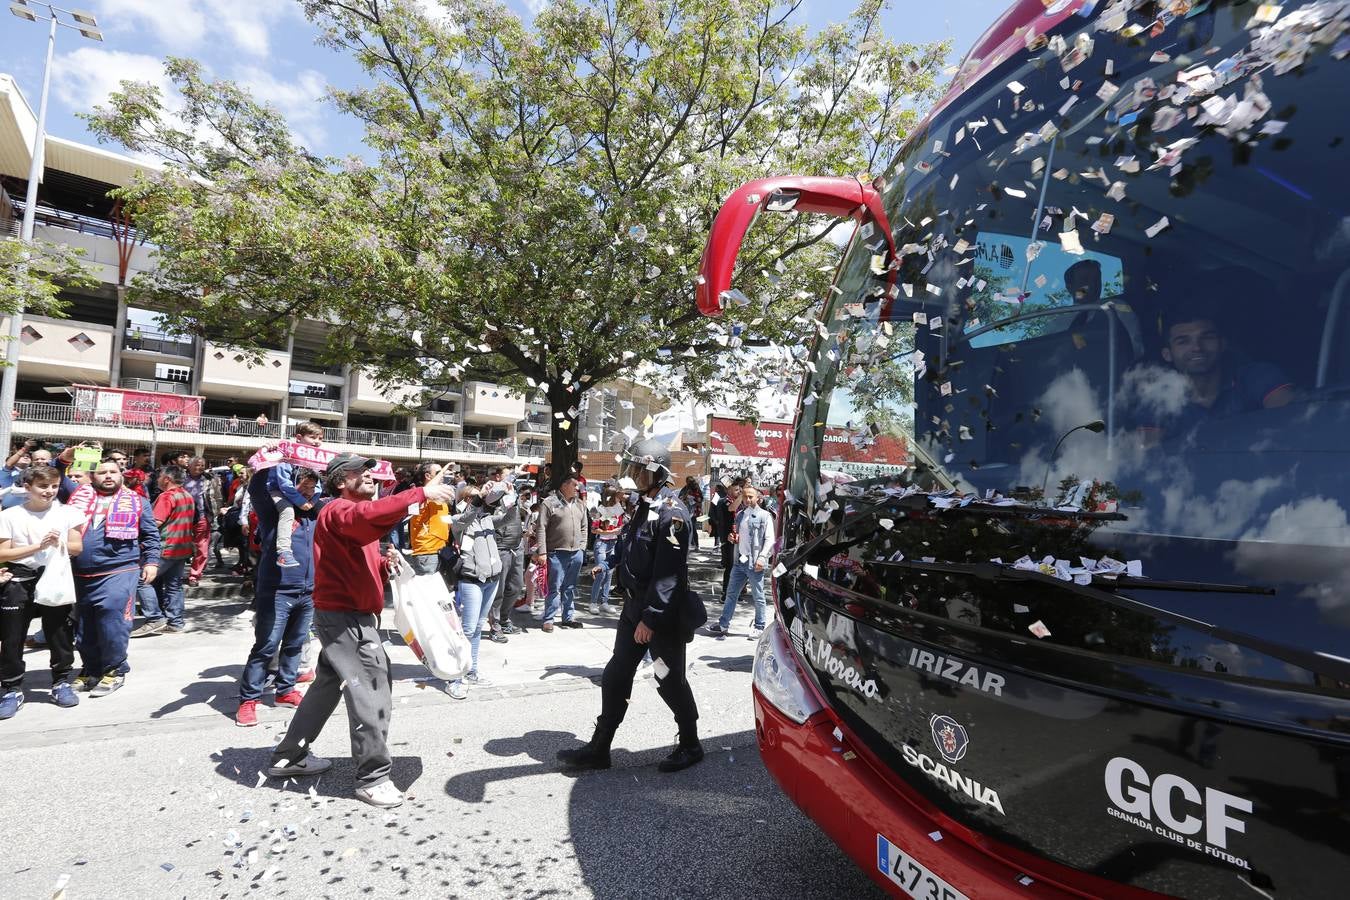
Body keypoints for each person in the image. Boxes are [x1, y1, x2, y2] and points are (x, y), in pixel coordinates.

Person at [265, 453, 455, 809]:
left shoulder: (354, 516)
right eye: (359, 471)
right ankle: (373, 778)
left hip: (347, 615)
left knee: (325, 687)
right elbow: (368, 516)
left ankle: (288, 756)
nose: (369, 475)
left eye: (369, 471)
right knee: (372, 688)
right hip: (346, 618)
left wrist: (385, 562)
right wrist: (419, 493)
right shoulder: (339, 509)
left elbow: (365, 538)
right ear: (340, 480)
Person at [556, 438, 704, 773]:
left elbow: (669, 575)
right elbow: (633, 550)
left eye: (639, 468)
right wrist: (610, 566)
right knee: (615, 675)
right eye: (632, 466)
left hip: (660, 616)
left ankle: (691, 744)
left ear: (656, 472)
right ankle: (600, 748)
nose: (633, 474)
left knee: (668, 679)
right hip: (634, 609)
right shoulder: (645, 505)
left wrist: (650, 619)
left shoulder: (672, 515)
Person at [1136, 297, 1294, 441]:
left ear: (1223, 344)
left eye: (1207, 337)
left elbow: (1292, 426)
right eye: (1183, 341)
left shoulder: (1258, 377)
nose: (1197, 347)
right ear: (1167, 354)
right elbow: (1148, 459)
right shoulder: (1156, 401)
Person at [67, 460, 160, 697]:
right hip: (79, 572)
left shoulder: (138, 502)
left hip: (119, 570)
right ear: (92, 476)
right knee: (84, 625)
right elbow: (53, 478)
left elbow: (150, 535)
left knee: (112, 619)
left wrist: (151, 562)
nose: (108, 476)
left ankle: (115, 669)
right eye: (102, 472)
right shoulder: (77, 497)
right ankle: (91, 668)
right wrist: (65, 458)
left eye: (113, 472)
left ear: (121, 475)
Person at [0, 466, 85, 718]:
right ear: (27, 487)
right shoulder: (10, 515)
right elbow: (3, 553)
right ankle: (11, 688)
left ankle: (61, 682)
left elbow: (77, 547)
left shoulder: (69, 512)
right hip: (20, 578)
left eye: (54, 486)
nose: (49, 492)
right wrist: (38, 545)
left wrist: (57, 543)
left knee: (59, 633)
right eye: (43, 486)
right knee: (13, 636)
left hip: (56, 575)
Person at [236, 467, 319, 727]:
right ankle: (249, 700)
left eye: (311, 487)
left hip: (308, 593)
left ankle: (285, 691)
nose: (306, 492)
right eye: (301, 486)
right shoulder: (275, 513)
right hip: (276, 591)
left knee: (295, 645)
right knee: (266, 647)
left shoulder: (316, 512)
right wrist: (267, 464)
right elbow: (257, 489)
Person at [446, 482, 504, 700]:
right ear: (464, 500)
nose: (477, 502)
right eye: (471, 498)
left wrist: (508, 496)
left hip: (491, 579)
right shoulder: (458, 521)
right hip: (471, 580)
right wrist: (478, 499)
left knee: (478, 627)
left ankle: (471, 670)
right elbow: (466, 517)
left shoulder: (486, 518)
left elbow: (508, 519)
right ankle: (455, 678)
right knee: (468, 629)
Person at [130, 465, 196, 637]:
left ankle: (154, 618)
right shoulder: (187, 496)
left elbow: (154, 523)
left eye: (159, 477)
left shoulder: (166, 496)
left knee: (142, 580)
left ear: (167, 479)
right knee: (174, 585)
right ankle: (176, 622)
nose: (157, 480)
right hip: (182, 548)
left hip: (164, 547)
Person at [709, 485, 774, 639]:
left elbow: (770, 538)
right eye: (745, 496)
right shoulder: (740, 515)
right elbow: (739, 535)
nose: (748, 499)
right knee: (731, 594)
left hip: (754, 561)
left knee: (758, 596)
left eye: (751, 496)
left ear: (758, 498)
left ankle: (759, 626)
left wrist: (762, 557)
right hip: (739, 561)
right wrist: (734, 539)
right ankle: (724, 624)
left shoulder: (764, 516)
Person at [535, 472, 589, 632]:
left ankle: (568, 618)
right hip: (556, 553)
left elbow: (584, 527)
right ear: (564, 485)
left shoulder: (580, 504)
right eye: (574, 484)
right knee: (554, 587)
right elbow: (541, 528)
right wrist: (542, 552)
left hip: (576, 553)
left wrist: (582, 547)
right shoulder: (549, 503)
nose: (577, 487)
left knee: (570, 587)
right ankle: (549, 619)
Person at [271, 422, 324, 568]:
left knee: (325, 510)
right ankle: (284, 552)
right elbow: (284, 484)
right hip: (278, 491)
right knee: (287, 511)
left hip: (303, 494)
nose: (317, 442)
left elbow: (318, 483)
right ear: (299, 438)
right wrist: (300, 501)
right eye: (313, 437)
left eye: (320, 438)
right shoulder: (287, 454)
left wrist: (313, 501)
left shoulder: (314, 458)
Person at [488, 478, 525, 639]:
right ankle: (495, 624)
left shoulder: (513, 497)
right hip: (500, 547)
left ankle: (504, 619)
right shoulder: (492, 500)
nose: (510, 484)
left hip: (517, 547)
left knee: (516, 586)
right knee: (499, 590)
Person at [406, 462, 451, 579]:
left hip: (441, 550)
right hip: (426, 552)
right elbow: (426, 491)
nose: (443, 475)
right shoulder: (419, 493)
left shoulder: (439, 494)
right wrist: (443, 471)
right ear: (427, 476)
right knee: (428, 592)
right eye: (438, 473)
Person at [184, 456, 221, 586]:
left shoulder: (210, 479)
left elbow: (217, 497)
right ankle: (175, 573)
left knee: (202, 547)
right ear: (189, 465)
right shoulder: (181, 477)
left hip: (202, 516)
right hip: (182, 517)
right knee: (180, 545)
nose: (199, 467)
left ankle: (194, 575)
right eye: (197, 465)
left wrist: (214, 514)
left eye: (202, 465)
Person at [587, 486, 625, 615]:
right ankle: (593, 602)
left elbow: (620, 527)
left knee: (609, 574)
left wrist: (613, 531)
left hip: (613, 543)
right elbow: (593, 529)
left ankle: (604, 602)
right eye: (616, 496)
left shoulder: (618, 510)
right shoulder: (600, 510)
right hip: (602, 543)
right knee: (601, 573)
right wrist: (608, 531)